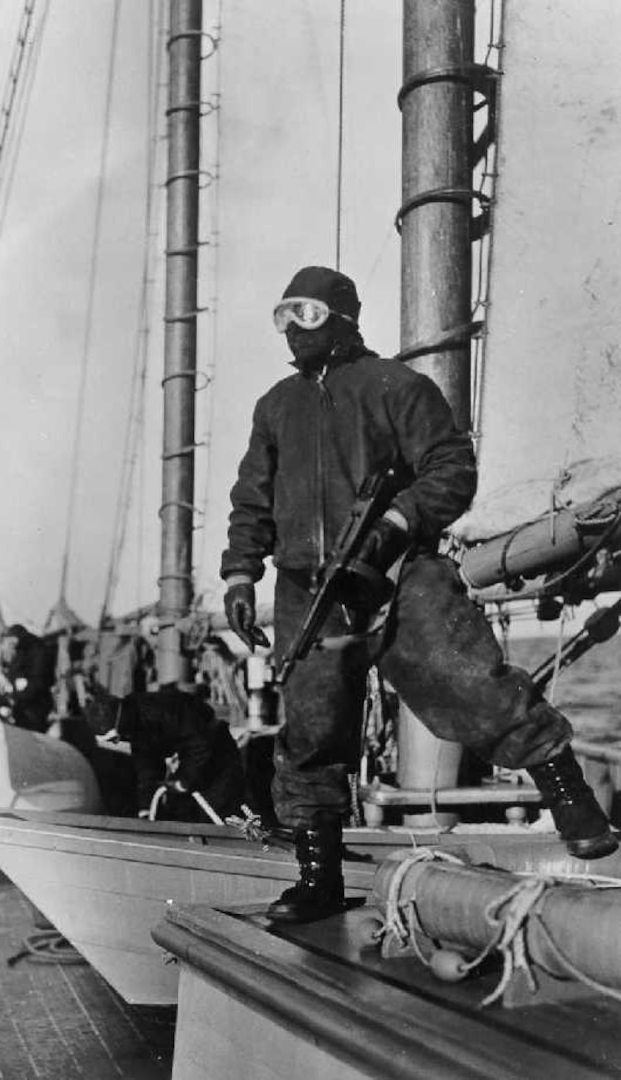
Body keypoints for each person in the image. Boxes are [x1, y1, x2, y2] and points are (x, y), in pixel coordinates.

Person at [220, 265, 618, 925]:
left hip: (402, 577)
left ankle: (572, 798)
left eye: (307, 314)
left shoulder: (396, 387)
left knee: (474, 686)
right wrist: (240, 574)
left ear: (344, 318)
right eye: (281, 315)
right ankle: (318, 878)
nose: (292, 329)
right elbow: (252, 498)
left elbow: (451, 469)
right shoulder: (275, 407)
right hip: (308, 590)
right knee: (310, 731)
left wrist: (396, 525)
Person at [116, 685, 246, 823]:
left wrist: (184, 780)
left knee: (220, 811)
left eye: (114, 738)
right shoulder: (137, 723)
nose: (114, 743)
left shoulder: (158, 711)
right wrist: (146, 809)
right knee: (181, 810)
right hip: (192, 759)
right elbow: (146, 768)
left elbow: (200, 744)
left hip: (217, 755)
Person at [0, 624, 57, 733]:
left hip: (35, 706)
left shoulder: (38, 651)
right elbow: (14, 675)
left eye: (11, 642)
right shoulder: (21, 651)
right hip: (24, 703)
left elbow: (39, 681)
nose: (10, 646)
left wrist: (16, 696)